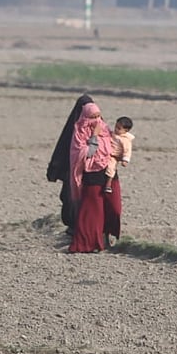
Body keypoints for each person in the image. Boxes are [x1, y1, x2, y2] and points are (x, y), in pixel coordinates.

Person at [67, 101, 113, 253]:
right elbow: (85, 153)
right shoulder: (80, 132)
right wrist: (94, 136)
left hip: (107, 173)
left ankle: (105, 239)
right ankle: (87, 243)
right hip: (91, 174)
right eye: (92, 117)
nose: (96, 120)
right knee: (92, 211)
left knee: (110, 209)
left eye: (99, 116)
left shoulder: (105, 129)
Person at [47, 94, 95, 234]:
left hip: (91, 171)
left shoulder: (98, 128)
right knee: (71, 198)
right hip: (76, 172)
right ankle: (75, 227)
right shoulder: (75, 129)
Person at [104, 116, 134, 195]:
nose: (116, 129)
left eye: (119, 128)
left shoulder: (125, 140)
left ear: (126, 130)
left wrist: (125, 160)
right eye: (116, 127)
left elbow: (127, 150)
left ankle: (108, 184)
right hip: (107, 152)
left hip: (114, 155)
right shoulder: (114, 133)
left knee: (111, 167)